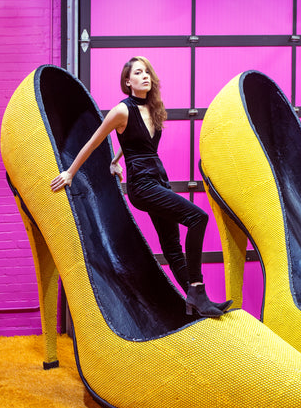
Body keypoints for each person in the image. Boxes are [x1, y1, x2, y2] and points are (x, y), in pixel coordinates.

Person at [50, 56, 232, 317]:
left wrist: (116, 160)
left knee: (172, 249)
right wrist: (69, 173)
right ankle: (197, 290)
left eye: (147, 72)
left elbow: (137, 144)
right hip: (143, 185)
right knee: (198, 217)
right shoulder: (122, 111)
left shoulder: (155, 109)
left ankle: (196, 305)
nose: (145, 76)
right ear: (128, 81)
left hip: (159, 178)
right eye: (138, 72)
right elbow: (94, 141)